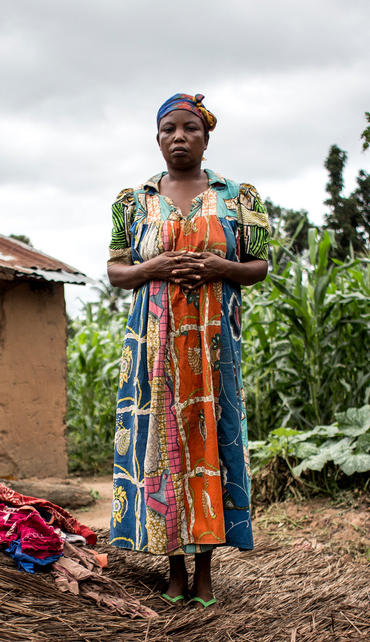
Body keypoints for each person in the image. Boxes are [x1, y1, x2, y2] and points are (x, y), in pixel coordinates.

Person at [107, 93, 270, 608]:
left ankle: (205, 573)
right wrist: (152, 269)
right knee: (163, 446)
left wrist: (221, 269)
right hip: (154, 347)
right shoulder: (132, 202)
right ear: (157, 139)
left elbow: (259, 266)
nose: (179, 137)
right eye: (168, 130)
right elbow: (115, 271)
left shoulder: (238, 196)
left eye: (189, 129)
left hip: (212, 345)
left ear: (206, 136)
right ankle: (172, 569)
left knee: (207, 447)